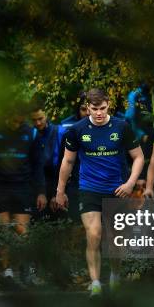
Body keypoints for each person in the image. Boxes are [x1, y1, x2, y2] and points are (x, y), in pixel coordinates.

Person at [55, 88, 144, 297]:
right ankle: (95, 283)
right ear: (87, 108)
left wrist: (130, 183)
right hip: (89, 189)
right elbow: (68, 161)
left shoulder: (122, 127)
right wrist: (60, 190)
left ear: (108, 105)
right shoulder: (77, 130)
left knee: (114, 239)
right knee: (94, 234)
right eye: (94, 109)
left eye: (103, 108)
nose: (99, 113)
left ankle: (114, 275)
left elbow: (138, 157)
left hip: (117, 190)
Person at [0, 109, 47, 285]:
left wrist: (41, 192)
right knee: (3, 231)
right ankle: (7, 272)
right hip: (0, 187)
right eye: (14, 121)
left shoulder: (31, 133)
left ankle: (26, 271)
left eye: (20, 122)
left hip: (23, 187)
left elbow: (38, 165)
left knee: (22, 232)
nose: (17, 125)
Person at [56, 91, 89, 221]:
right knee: (77, 228)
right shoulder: (69, 131)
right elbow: (62, 163)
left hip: (104, 186)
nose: (87, 113)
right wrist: (60, 192)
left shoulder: (110, 129)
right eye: (83, 109)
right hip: (77, 186)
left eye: (89, 109)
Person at [30, 101, 63, 219]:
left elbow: (64, 164)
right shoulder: (29, 134)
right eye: (34, 120)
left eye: (40, 118)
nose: (38, 123)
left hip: (56, 181)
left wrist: (57, 193)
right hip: (35, 185)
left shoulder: (59, 132)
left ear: (46, 115)